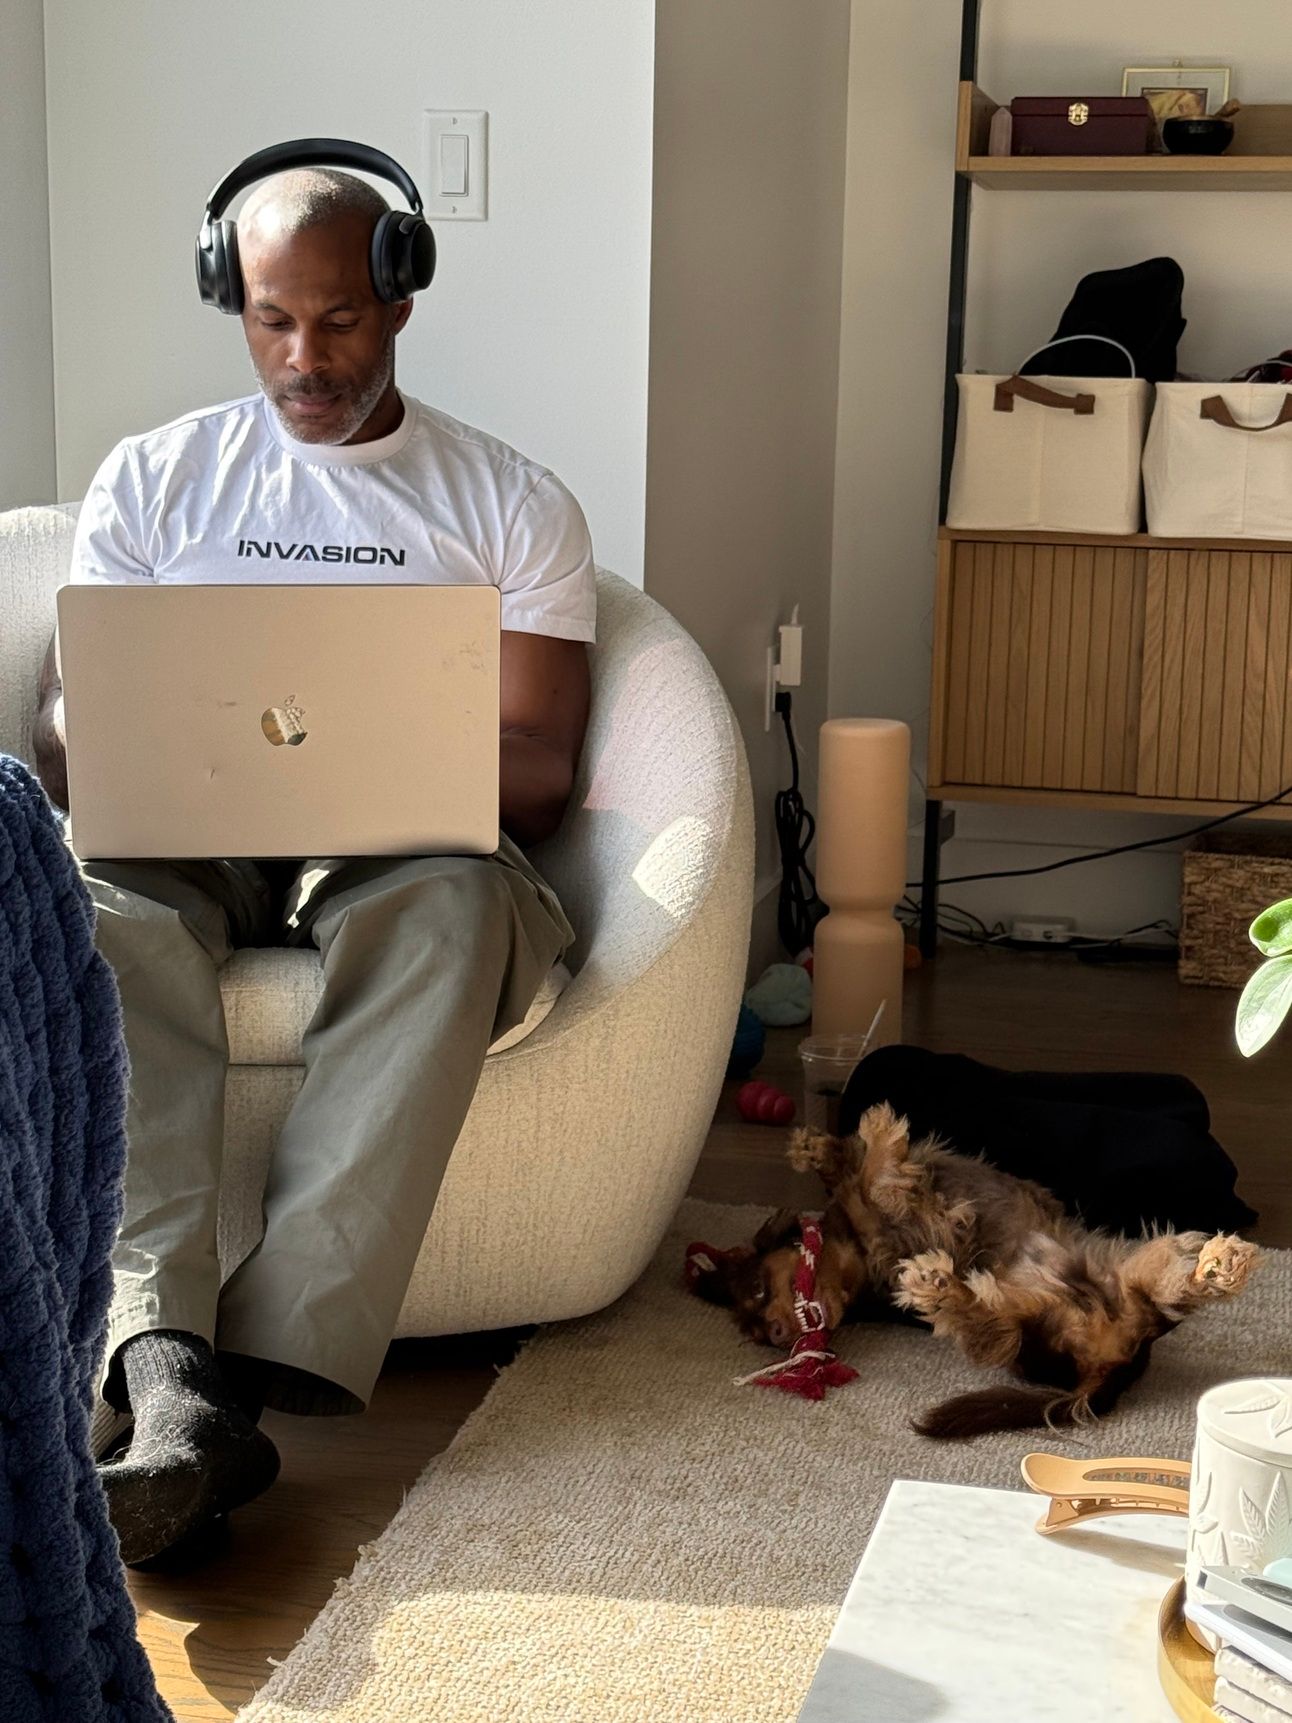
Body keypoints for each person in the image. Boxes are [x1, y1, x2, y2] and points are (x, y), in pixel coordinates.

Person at [31, 153, 595, 1566]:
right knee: (95, 916)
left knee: (461, 908)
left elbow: (541, 767)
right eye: (272, 320)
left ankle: (245, 1380)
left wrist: (375, 752)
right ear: (232, 302)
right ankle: (167, 1371)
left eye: (338, 319)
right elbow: (62, 723)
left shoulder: (509, 501)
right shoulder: (156, 479)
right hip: (189, 833)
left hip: (401, 845)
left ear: (399, 298)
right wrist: (112, 729)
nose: (305, 358)